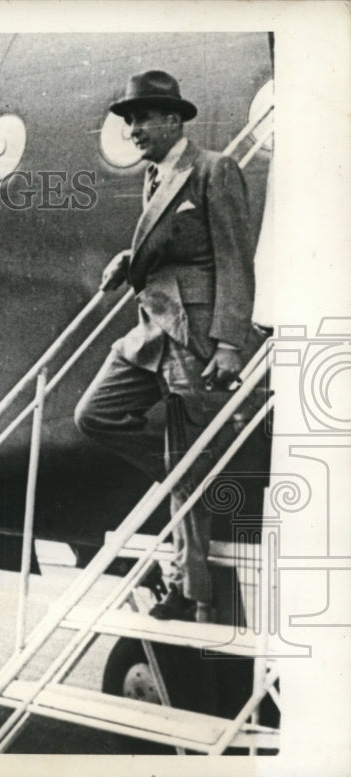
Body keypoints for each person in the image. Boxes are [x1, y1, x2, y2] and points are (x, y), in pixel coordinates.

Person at [74, 70, 257, 623]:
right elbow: (165, 246)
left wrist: (229, 343)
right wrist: (129, 262)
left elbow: (233, 259)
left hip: (195, 332)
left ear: (173, 120)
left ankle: (190, 590)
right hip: (153, 325)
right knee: (94, 414)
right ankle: (191, 473)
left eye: (141, 118)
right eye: (128, 120)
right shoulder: (154, 175)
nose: (132, 129)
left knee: (189, 468)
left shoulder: (212, 170)